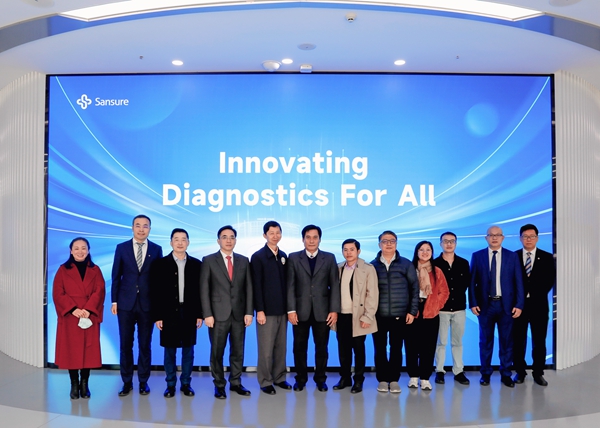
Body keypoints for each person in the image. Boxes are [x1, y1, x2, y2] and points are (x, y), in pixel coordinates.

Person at [111, 214, 163, 396]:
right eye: (138, 225)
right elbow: (116, 276)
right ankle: (126, 382)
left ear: (150, 229)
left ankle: (143, 381)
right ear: (132, 228)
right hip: (125, 304)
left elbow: (158, 281)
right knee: (125, 345)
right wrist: (114, 300)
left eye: (145, 226)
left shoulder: (156, 249)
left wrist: (159, 307)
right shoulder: (122, 248)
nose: (141, 229)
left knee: (145, 345)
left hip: (147, 305)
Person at [200, 225, 254, 399]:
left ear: (236, 240)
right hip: (217, 316)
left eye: (232, 237)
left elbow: (249, 288)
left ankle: (236, 382)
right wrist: (207, 314)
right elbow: (204, 289)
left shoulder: (244, 260)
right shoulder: (209, 260)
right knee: (217, 352)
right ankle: (219, 384)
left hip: (239, 314)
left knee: (238, 351)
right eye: (224, 237)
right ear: (218, 240)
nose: (228, 240)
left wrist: (249, 312)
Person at [150, 228, 203, 398]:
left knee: (188, 350)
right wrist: (157, 316)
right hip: (167, 314)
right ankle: (170, 384)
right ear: (171, 242)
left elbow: (200, 292)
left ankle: (186, 383)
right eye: (176, 239)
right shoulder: (160, 264)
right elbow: (155, 292)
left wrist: (200, 314)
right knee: (169, 351)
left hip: (189, 313)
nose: (180, 243)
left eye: (183, 239)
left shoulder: (197, 264)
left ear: (188, 242)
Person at [469, 225, 524, 387]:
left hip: (506, 306)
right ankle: (485, 373)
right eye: (491, 235)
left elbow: (518, 282)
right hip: (485, 306)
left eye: (497, 235)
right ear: (486, 238)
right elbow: (472, 283)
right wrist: (473, 303)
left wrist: (519, 304)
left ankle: (506, 374)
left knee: (506, 342)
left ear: (503, 238)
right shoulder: (477, 256)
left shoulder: (512, 256)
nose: (494, 237)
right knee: (485, 341)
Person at [287, 224, 340, 392]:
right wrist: (291, 310)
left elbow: (335, 285)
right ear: (303, 239)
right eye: (308, 237)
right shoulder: (293, 258)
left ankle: (321, 379)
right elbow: (290, 286)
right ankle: (300, 379)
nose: (311, 240)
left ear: (319, 239)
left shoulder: (329, 258)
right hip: (299, 311)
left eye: (315, 237)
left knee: (322, 348)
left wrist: (334, 310)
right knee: (299, 348)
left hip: (323, 312)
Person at [53, 237, 105, 399]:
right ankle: (74, 384)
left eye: (83, 248)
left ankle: (85, 384)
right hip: (71, 317)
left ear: (88, 250)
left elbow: (100, 291)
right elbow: (58, 293)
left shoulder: (95, 270)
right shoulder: (63, 270)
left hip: (89, 315)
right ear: (71, 251)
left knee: (88, 351)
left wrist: (88, 309)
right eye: (76, 248)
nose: (80, 251)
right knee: (72, 351)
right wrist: (73, 309)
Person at [371, 230, 419, 394]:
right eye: (385, 241)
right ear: (379, 244)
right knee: (379, 348)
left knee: (396, 348)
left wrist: (412, 311)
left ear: (396, 244)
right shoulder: (372, 266)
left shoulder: (406, 264)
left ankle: (394, 379)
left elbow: (414, 288)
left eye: (392, 241)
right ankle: (382, 379)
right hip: (378, 315)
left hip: (400, 315)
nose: (388, 244)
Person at [250, 221, 292, 395]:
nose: (275, 236)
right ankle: (265, 380)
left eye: (278, 232)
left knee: (281, 348)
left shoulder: (283, 256)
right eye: (271, 233)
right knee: (266, 350)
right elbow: (256, 285)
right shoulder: (258, 257)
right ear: (264, 235)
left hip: (282, 311)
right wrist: (259, 310)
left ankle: (279, 377)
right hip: (266, 312)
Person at [333, 238, 378, 394]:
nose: (348, 252)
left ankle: (358, 380)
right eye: (345, 249)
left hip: (358, 316)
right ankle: (345, 378)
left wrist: (367, 316)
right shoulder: (338, 268)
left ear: (358, 251)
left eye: (352, 249)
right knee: (343, 349)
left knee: (358, 349)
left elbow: (372, 294)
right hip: (342, 315)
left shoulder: (368, 268)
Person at [513, 224, 556, 386]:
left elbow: (549, 280)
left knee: (539, 341)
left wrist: (533, 293)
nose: (528, 239)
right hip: (519, 306)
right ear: (520, 238)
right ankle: (520, 371)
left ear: (537, 238)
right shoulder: (513, 257)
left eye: (532, 236)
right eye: (525, 236)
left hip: (539, 306)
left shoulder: (547, 257)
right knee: (518, 340)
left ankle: (538, 372)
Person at [405, 241, 449, 390]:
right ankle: (413, 376)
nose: (425, 252)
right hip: (412, 311)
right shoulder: (410, 269)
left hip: (430, 312)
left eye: (428, 250)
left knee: (428, 347)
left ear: (432, 252)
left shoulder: (437, 271)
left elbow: (444, 292)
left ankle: (425, 378)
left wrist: (436, 305)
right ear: (416, 252)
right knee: (411, 346)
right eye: (421, 249)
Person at [433, 231, 471, 385]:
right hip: (441, 310)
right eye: (445, 241)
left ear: (456, 243)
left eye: (452, 241)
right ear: (440, 243)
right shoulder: (434, 263)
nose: (449, 244)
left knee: (457, 342)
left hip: (459, 308)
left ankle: (458, 371)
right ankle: (439, 371)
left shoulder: (463, 263)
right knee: (440, 342)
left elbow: (467, 284)